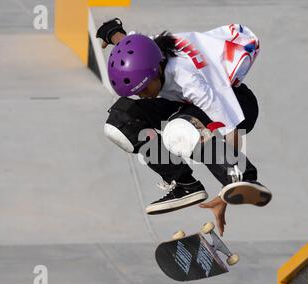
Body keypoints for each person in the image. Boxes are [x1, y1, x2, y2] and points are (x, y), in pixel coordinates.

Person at [97, 18, 272, 235]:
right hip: (184, 103)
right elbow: (128, 44)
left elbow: (232, 131)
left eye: (143, 88)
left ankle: (244, 177)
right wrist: (112, 31)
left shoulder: (190, 78)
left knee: (178, 132)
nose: (141, 94)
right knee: (120, 121)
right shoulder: (148, 49)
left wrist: (228, 190)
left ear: (156, 70)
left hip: (238, 104)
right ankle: (184, 185)